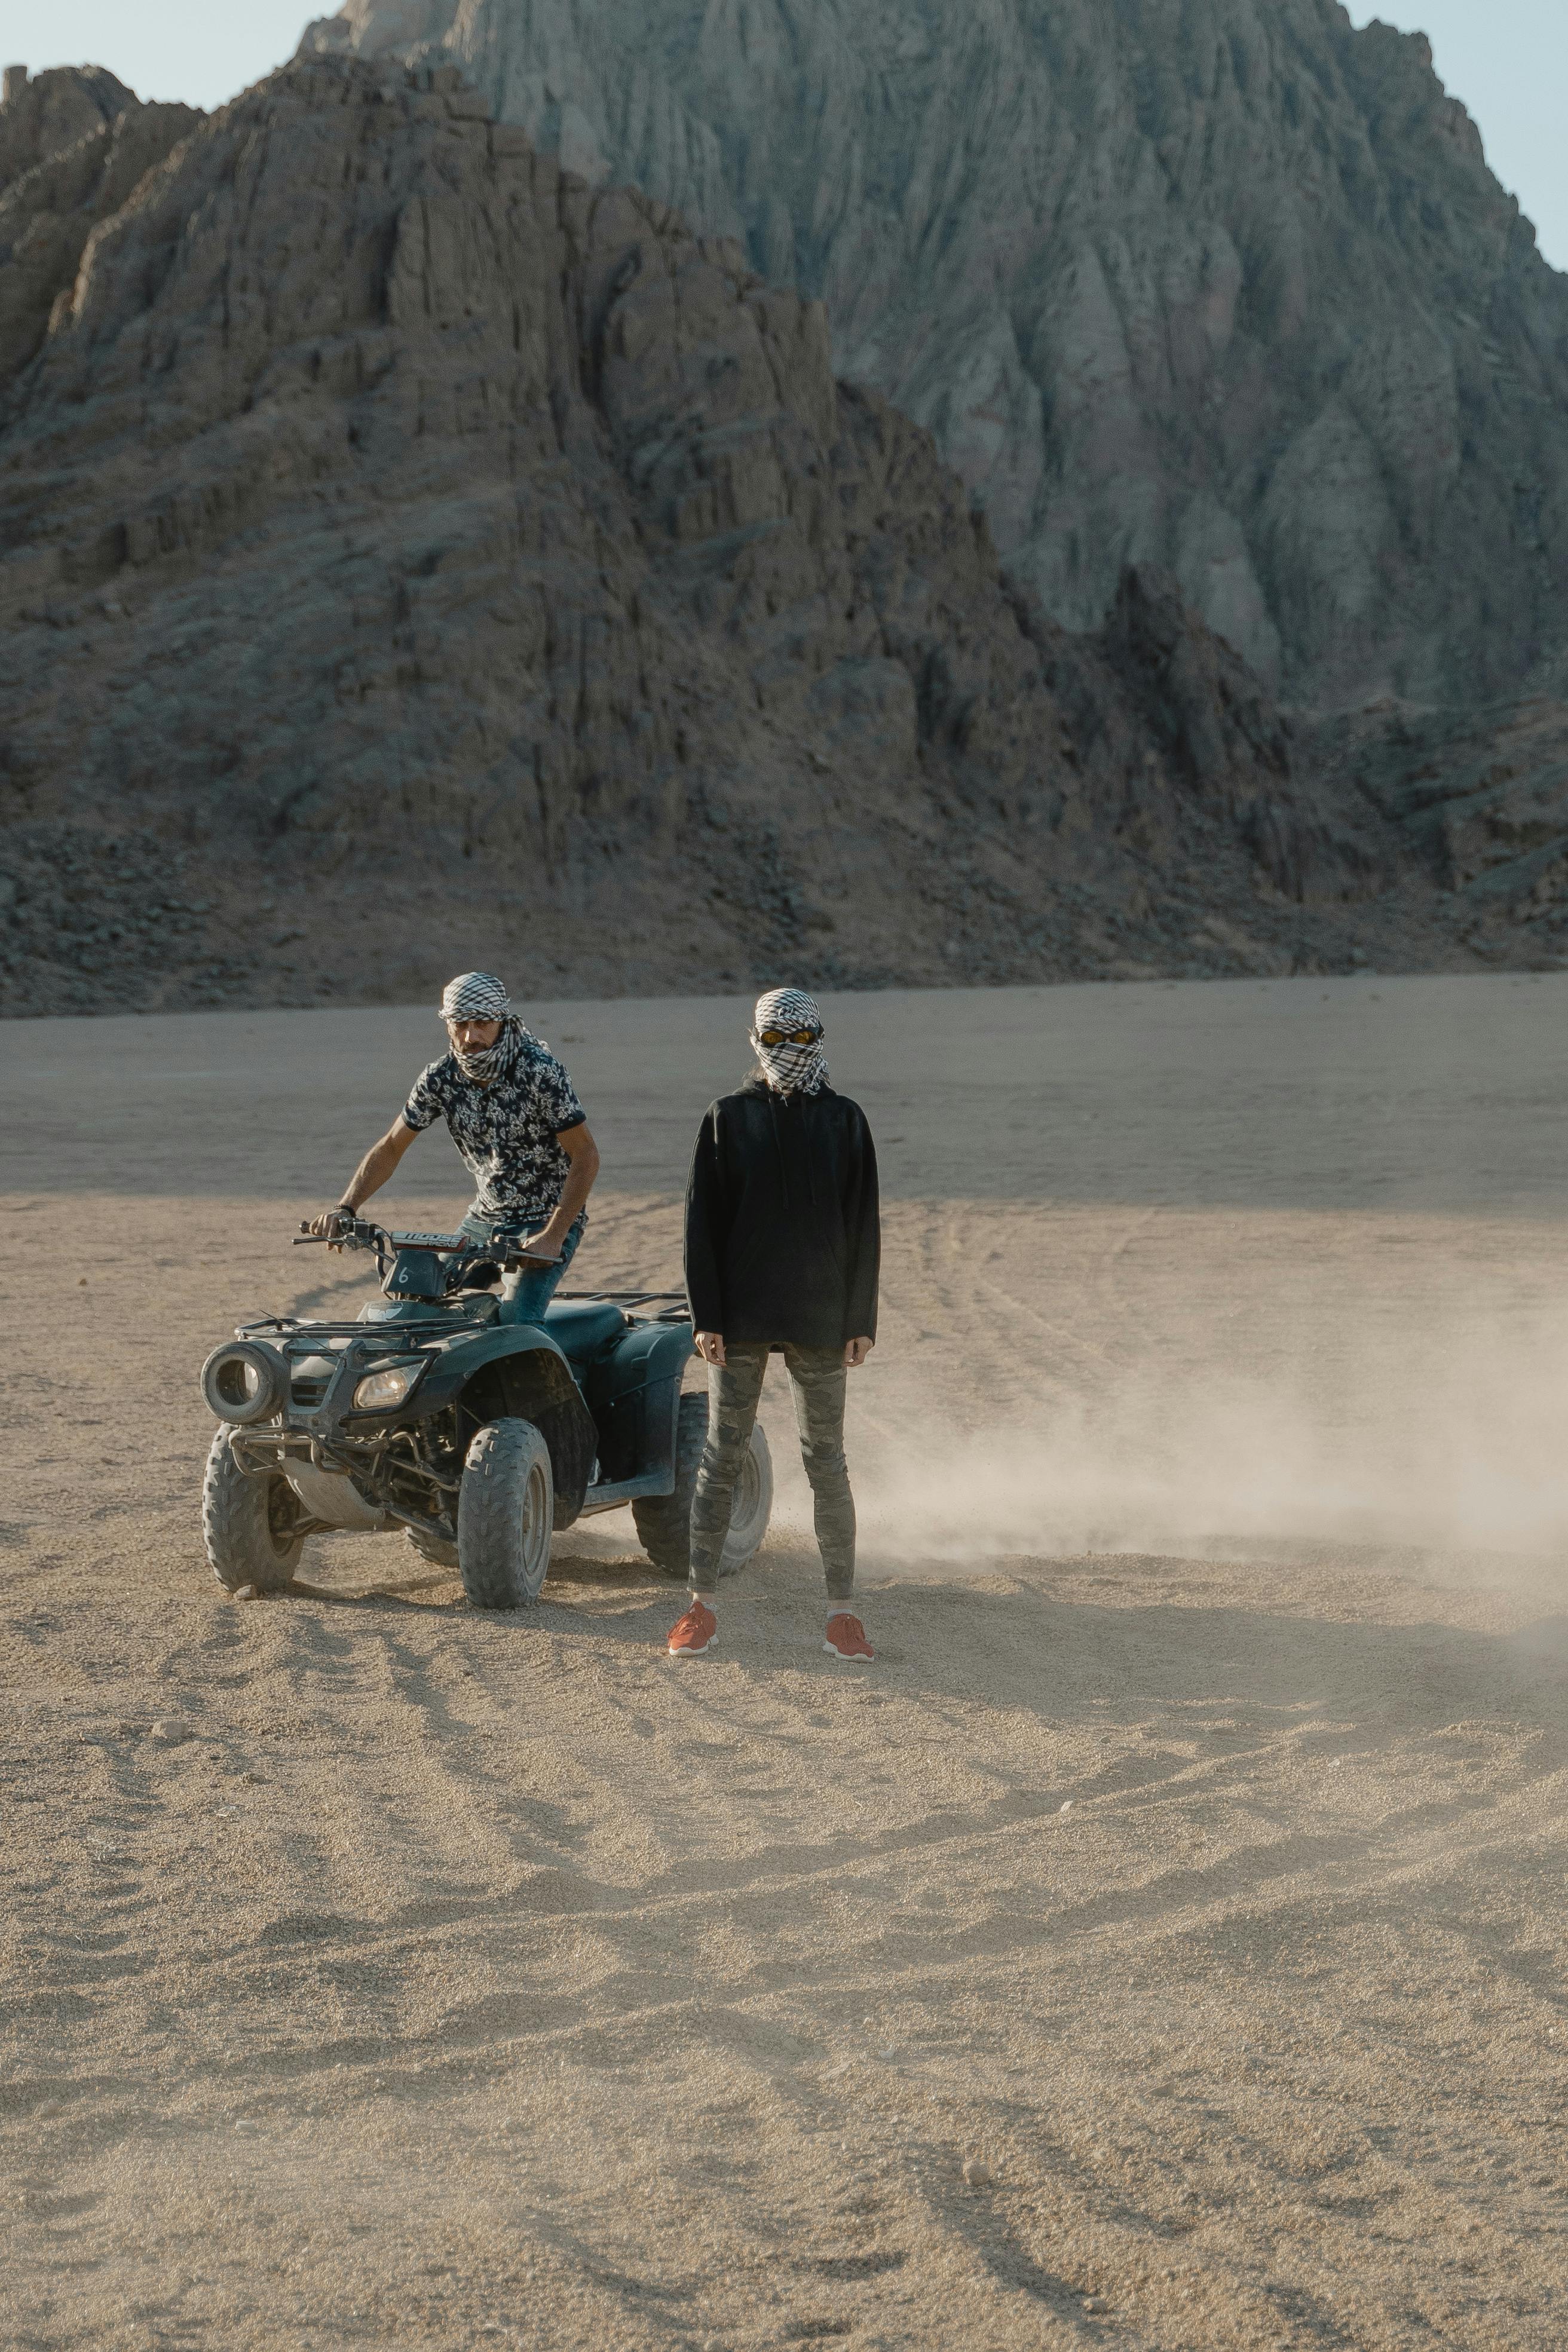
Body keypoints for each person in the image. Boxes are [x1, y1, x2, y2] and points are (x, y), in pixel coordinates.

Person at [669, 987, 880, 1662]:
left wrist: (860, 1319)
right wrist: (707, 1316)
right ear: (757, 1040)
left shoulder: (844, 1120)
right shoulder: (726, 1118)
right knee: (719, 1457)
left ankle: (842, 1615)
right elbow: (700, 1224)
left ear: (818, 1040)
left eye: (803, 1039)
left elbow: (863, 1225)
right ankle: (699, 1608)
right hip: (741, 1319)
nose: (791, 1053)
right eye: (779, 1040)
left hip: (822, 1316)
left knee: (826, 1461)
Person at [308, 972, 599, 1322]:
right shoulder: (440, 1078)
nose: (470, 1036)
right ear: (448, 1024)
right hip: (483, 1220)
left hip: (544, 1220)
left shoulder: (539, 1071)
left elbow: (585, 1155)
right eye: (460, 1023)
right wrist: (346, 1208)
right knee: (415, 1303)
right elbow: (391, 1147)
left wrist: (554, 1235)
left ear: (501, 1020)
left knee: (520, 1322)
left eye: (482, 1022)